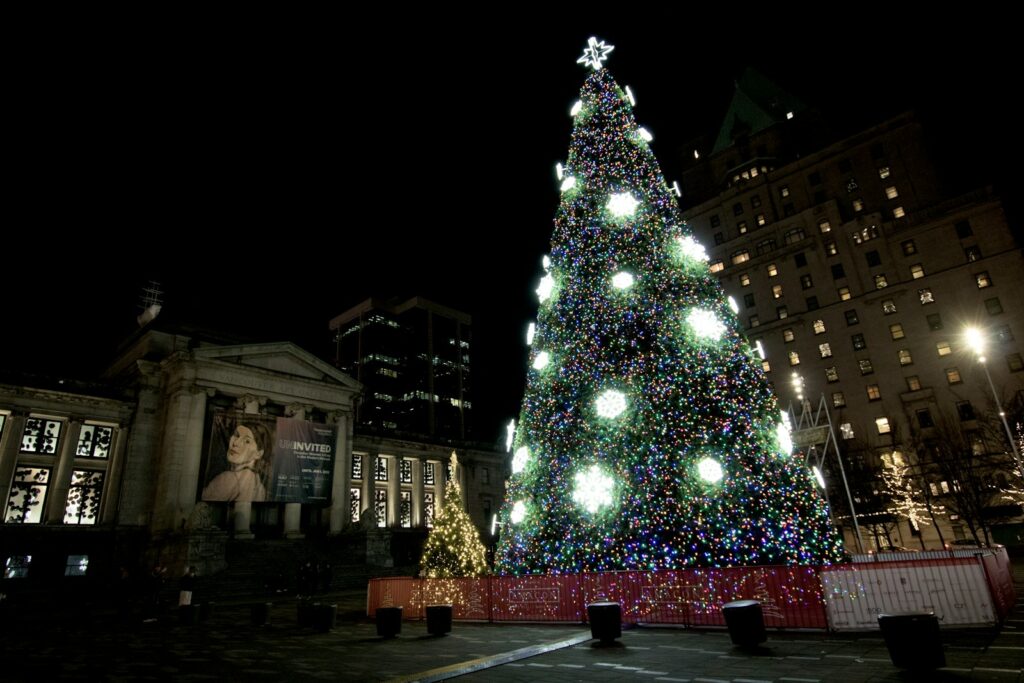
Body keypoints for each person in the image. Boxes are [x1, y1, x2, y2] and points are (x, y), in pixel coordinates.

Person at [202, 422, 271, 502]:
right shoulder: (259, 487)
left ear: (258, 454)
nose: (235, 443)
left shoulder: (228, 479)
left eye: (247, 441)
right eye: (237, 435)